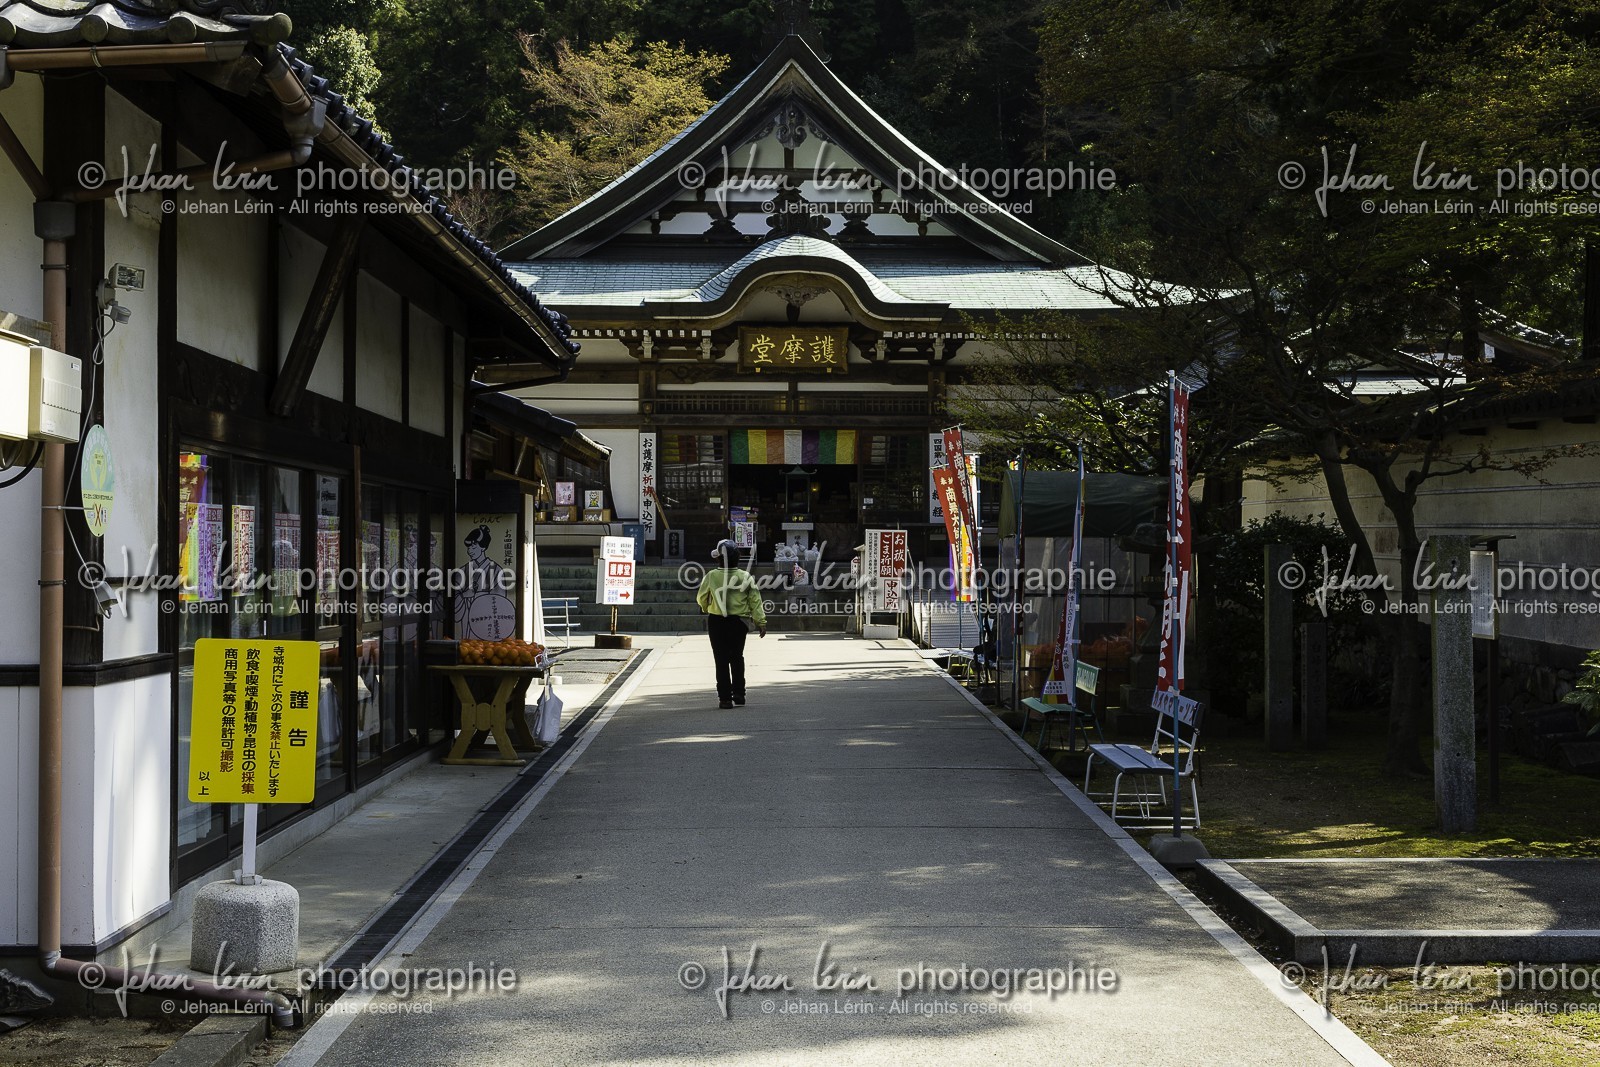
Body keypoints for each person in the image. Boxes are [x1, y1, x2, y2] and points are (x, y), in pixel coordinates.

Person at [696, 539, 768, 709]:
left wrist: (706, 607)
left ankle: (725, 698)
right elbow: (755, 601)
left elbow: (701, 597)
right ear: (738, 558)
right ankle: (739, 693)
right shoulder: (745, 577)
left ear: (719, 559)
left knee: (720, 659)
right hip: (739, 622)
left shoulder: (711, 576)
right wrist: (760, 622)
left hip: (717, 621)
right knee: (737, 657)